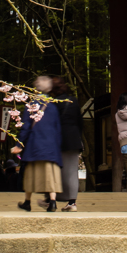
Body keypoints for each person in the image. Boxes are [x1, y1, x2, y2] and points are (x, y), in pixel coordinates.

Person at [12, 76, 62, 212]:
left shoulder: (32, 105)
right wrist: (58, 148)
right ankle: (52, 202)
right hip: (51, 147)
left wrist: (19, 144)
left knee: (30, 175)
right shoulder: (53, 106)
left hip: (35, 145)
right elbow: (57, 129)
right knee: (51, 175)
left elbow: (26, 126)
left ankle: (27, 202)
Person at [50, 75, 83, 212]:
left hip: (58, 139)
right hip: (74, 138)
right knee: (72, 171)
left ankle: (52, 199)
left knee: (56, 170)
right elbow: (80, 121)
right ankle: (72, 202)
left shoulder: (52, 103)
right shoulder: (73, 101)